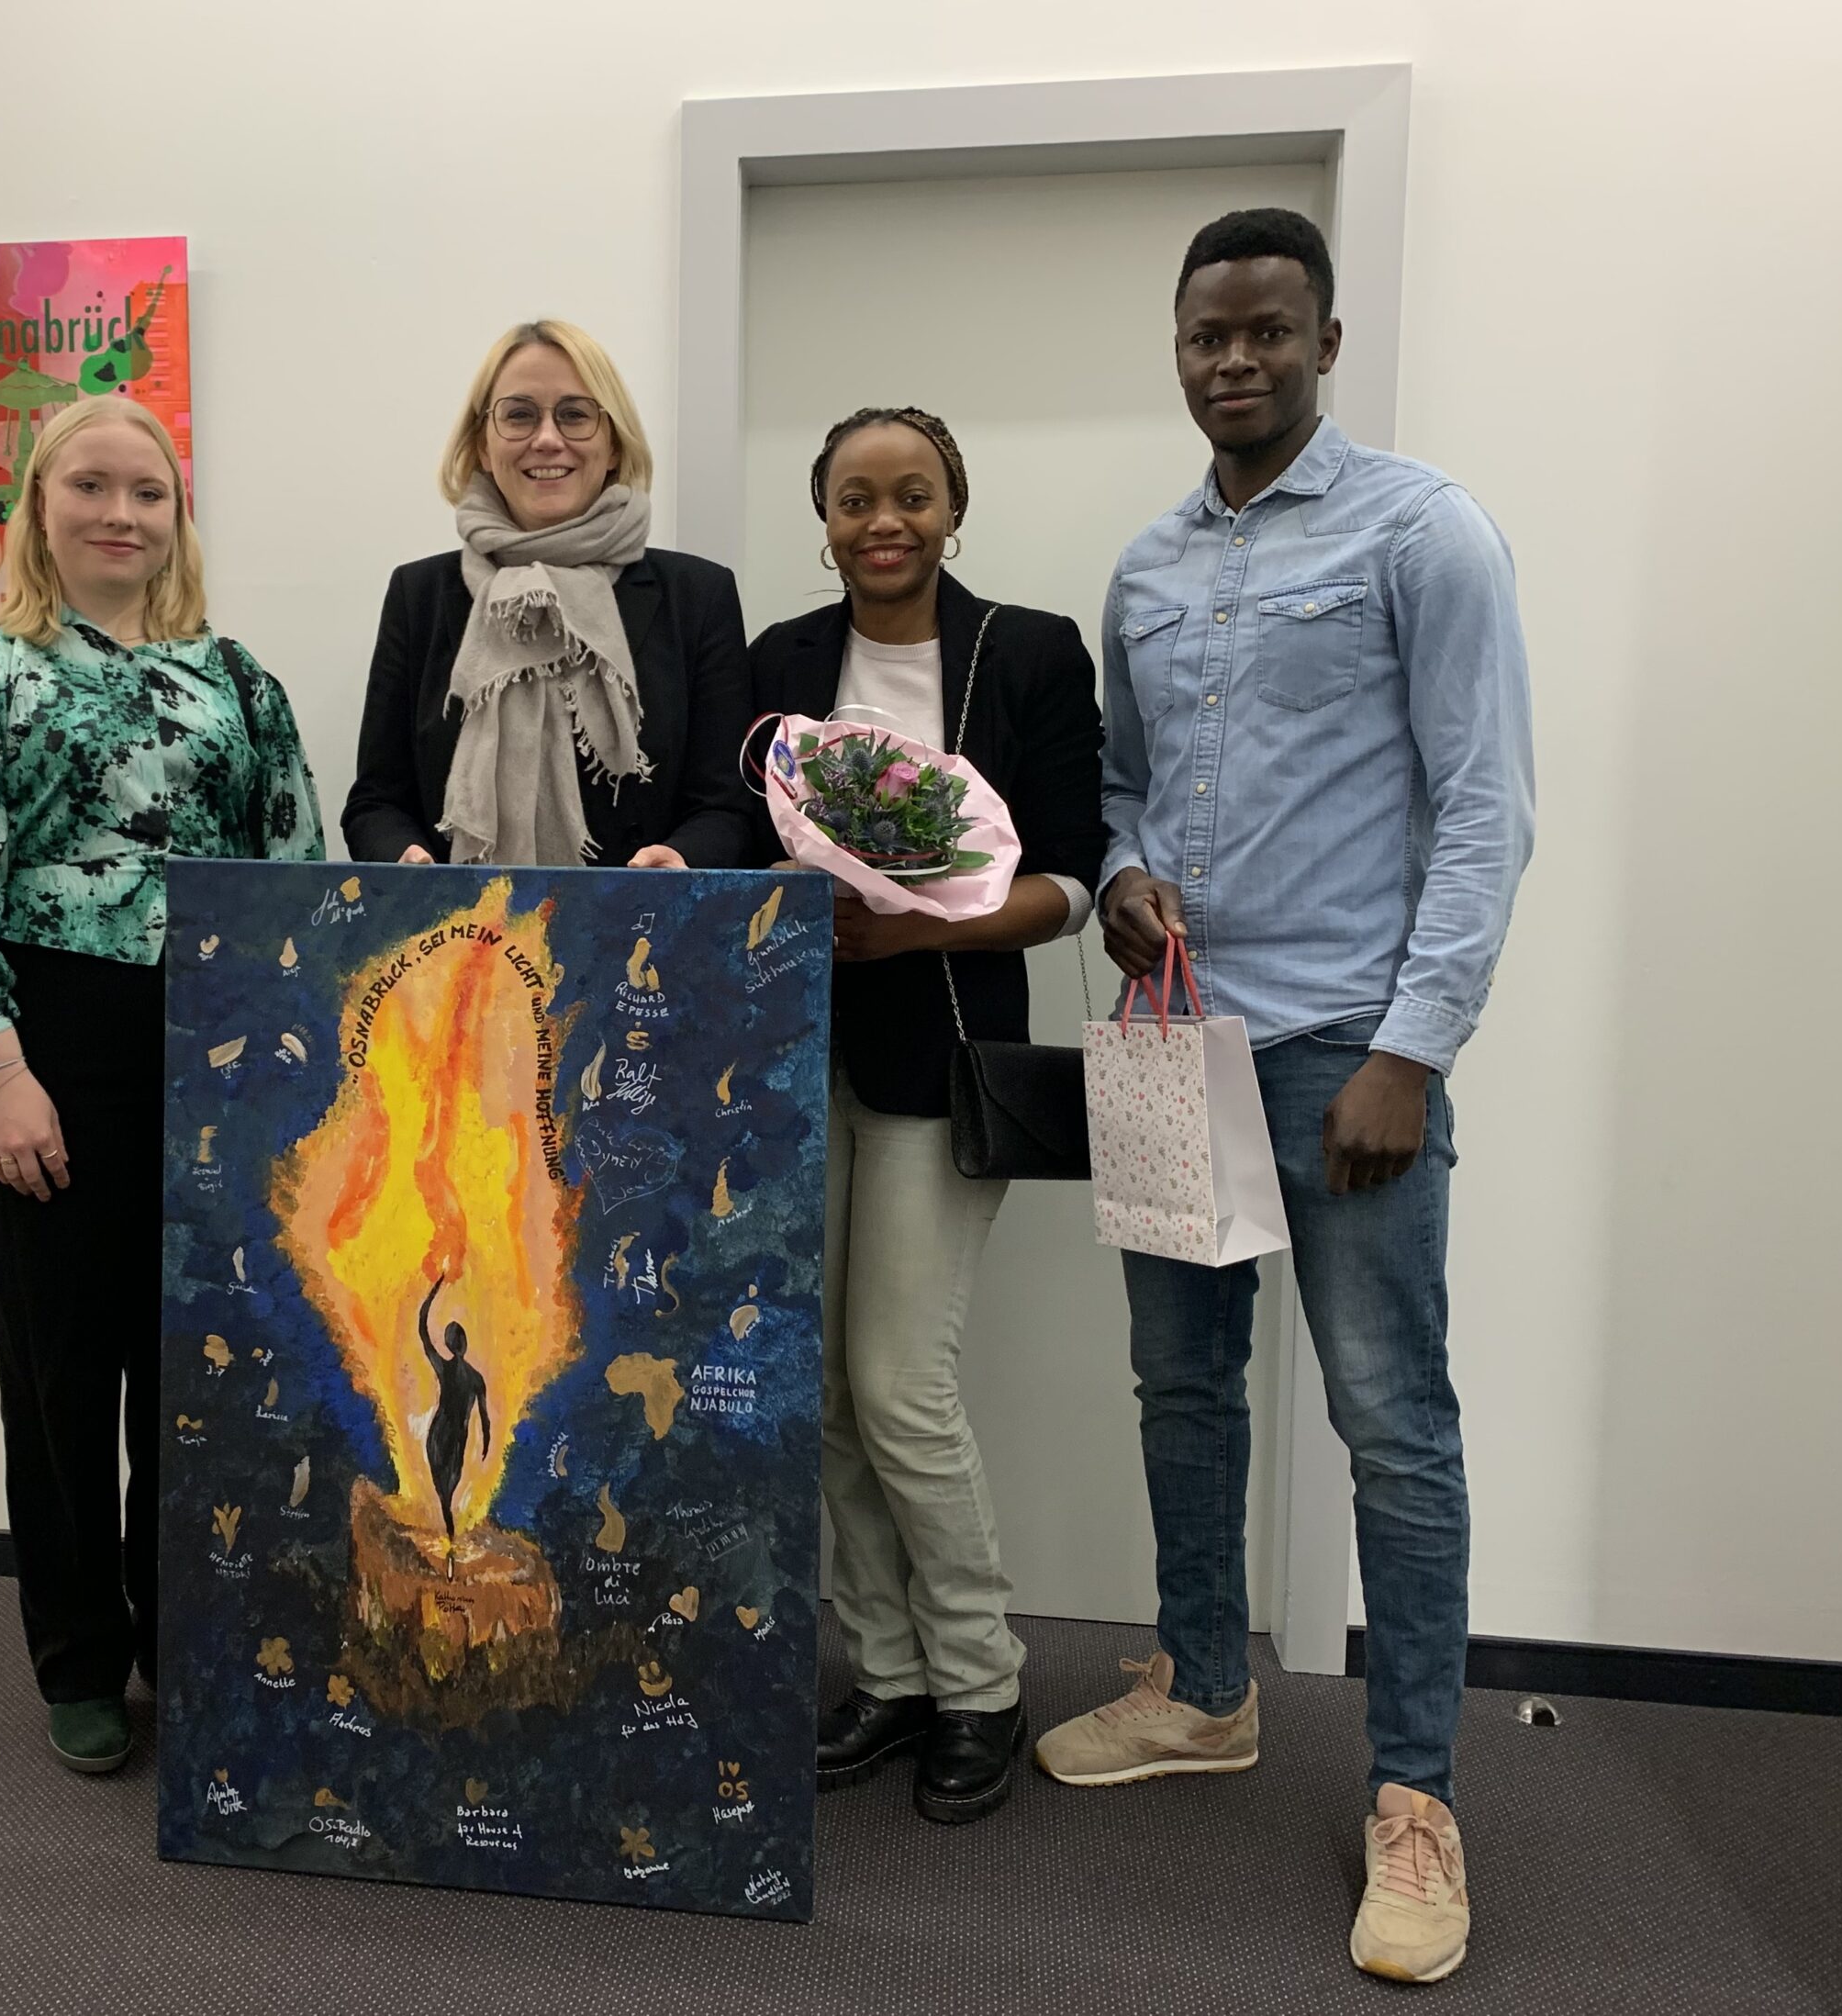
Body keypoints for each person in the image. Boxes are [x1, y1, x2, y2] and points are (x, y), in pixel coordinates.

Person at [1033, 209, 1533, 1985]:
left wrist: (1414, 1049)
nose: (1233, 360)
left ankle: (1416, 1796)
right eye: (1206, 335)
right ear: (1178, 350)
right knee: (1182, 1384)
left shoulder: (1424, 530)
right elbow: (1122, 781)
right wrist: (1120, 876)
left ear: (1324, 339)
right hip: (1176, 1038)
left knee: (1392, 1422)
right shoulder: (1148, 567)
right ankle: (1204, 1689)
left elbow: (1488, 806)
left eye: (1266, 330)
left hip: (1345, 1051)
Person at [0, 397, 324, 1775]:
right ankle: (78, 1656)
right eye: (90, 485)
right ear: (39, 502)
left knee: (199, 1365)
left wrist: (292, 1065)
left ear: (178, 515)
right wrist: (0, 1072)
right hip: (47, 1048)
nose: (119, 514)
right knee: (62, 1368)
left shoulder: (238, 679)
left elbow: (293, 866)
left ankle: (184, 1636)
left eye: (147, 491)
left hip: (216, 1048)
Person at [751, 408, 1104, 1824]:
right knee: (828, 1394)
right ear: (823, 517)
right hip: (792, 1066)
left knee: (901, 1385)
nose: (883, 521)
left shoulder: (1027, 651)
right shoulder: (780, 662)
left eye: (911, 495)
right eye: (855, 498)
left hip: (942, 1056)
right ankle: (889, 1674)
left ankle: (981, 1681)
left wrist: (920, 927)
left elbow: (1070, 881)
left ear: (954, 508)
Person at [340, 319, 754, 869]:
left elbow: (729, 806)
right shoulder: (418, 596)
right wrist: (405, 861)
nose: (547, 438)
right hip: (458, 920)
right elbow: (376, 803)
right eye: (519, 415)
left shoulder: (698, 597)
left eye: (575, 415)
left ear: (613, 445)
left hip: (643, 918)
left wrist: (682, 858)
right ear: (482, 446)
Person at [418, 1275, 491, 1544]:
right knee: (447, 1486)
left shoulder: (445, 1368)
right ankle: (449, 1533)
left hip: (441, 1433)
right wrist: (486, 1441)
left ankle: (449, 1532)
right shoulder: (476, 1379)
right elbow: (485, 1419)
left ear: (449, 1344)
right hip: (456, 1436)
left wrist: (434, 1290)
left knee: (443, 1487)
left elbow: (422, 1328)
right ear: (463, 1344)